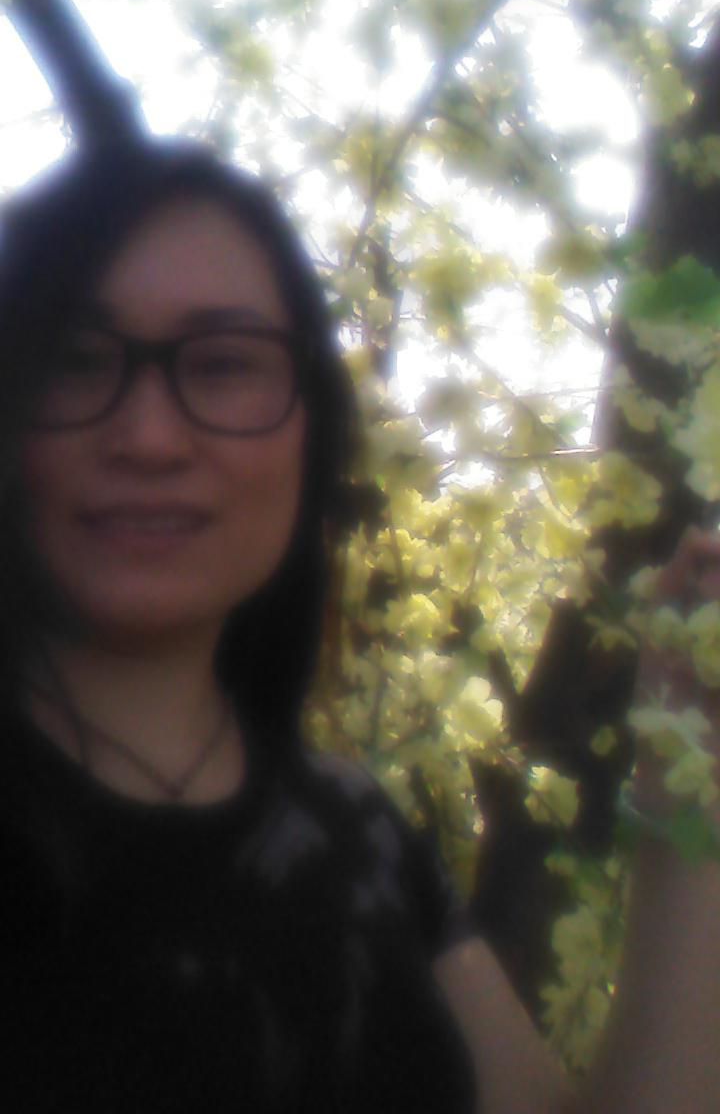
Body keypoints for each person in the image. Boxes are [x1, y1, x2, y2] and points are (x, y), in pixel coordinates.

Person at [0, 137, 717, 1114]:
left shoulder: (359, 826)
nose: (151, 437)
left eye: (223, 365)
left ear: (314, 432)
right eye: (78, 361)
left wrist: (686, 776)